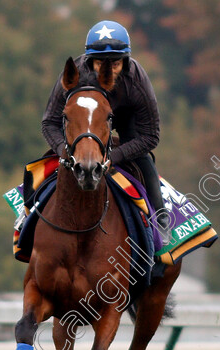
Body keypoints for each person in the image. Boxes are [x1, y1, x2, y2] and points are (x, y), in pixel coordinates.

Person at [42, 20, 171, 243]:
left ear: (126, 61)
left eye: (115, 63)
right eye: (101, 63)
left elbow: (151, 135)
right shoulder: (74, 74)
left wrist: (114, 156)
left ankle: (161, 222)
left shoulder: (137, 81)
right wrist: (65, 150)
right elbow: (49, 123)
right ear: (89, 62)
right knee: (45, 166)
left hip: (126, 123)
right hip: (85, 127)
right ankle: (27, 217)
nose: (108, 69)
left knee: (145, 162)